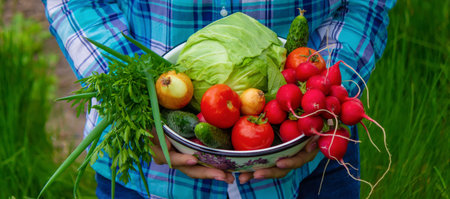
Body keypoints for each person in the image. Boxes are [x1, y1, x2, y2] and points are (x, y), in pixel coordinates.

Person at [42, 0, 395, 198]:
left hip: (311, 158)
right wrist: (138, 105)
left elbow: (366, 4)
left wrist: (320, 98)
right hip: (150, 175)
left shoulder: (312, 113)